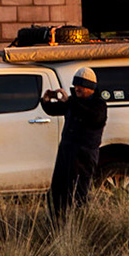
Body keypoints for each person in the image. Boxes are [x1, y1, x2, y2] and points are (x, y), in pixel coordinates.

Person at [41, 66, 107, 216]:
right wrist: (45, 101)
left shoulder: (98, 105)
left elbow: (92, 116)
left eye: (82, 85)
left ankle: (79, 226)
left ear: (90, 87)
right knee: (57, 191)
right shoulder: (74, 102)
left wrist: (69, 102)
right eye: (76, 84)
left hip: (83, 155)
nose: (77, 88)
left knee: (79, 194)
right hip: (66, 152)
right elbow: (55, 109)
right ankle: (57, 223)